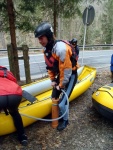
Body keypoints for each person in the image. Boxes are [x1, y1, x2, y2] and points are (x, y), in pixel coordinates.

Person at [34, 22, 78, 131]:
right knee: (53, 97)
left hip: (71, 75)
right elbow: (49, 67)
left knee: (62, 103)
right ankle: (56, 113)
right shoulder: (46, 50)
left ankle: (65, 120)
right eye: (38, 39)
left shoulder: (61, 49)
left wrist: (61, 85)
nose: (39, 41)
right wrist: (53, 80)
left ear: (48, 36)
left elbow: (66, 70)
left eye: (41, 38)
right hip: (62, 75)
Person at [0, 66, 28, 146]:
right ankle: (23, 137)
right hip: (15, 94)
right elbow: (14, 82)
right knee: (15, 113)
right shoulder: (6, 72)